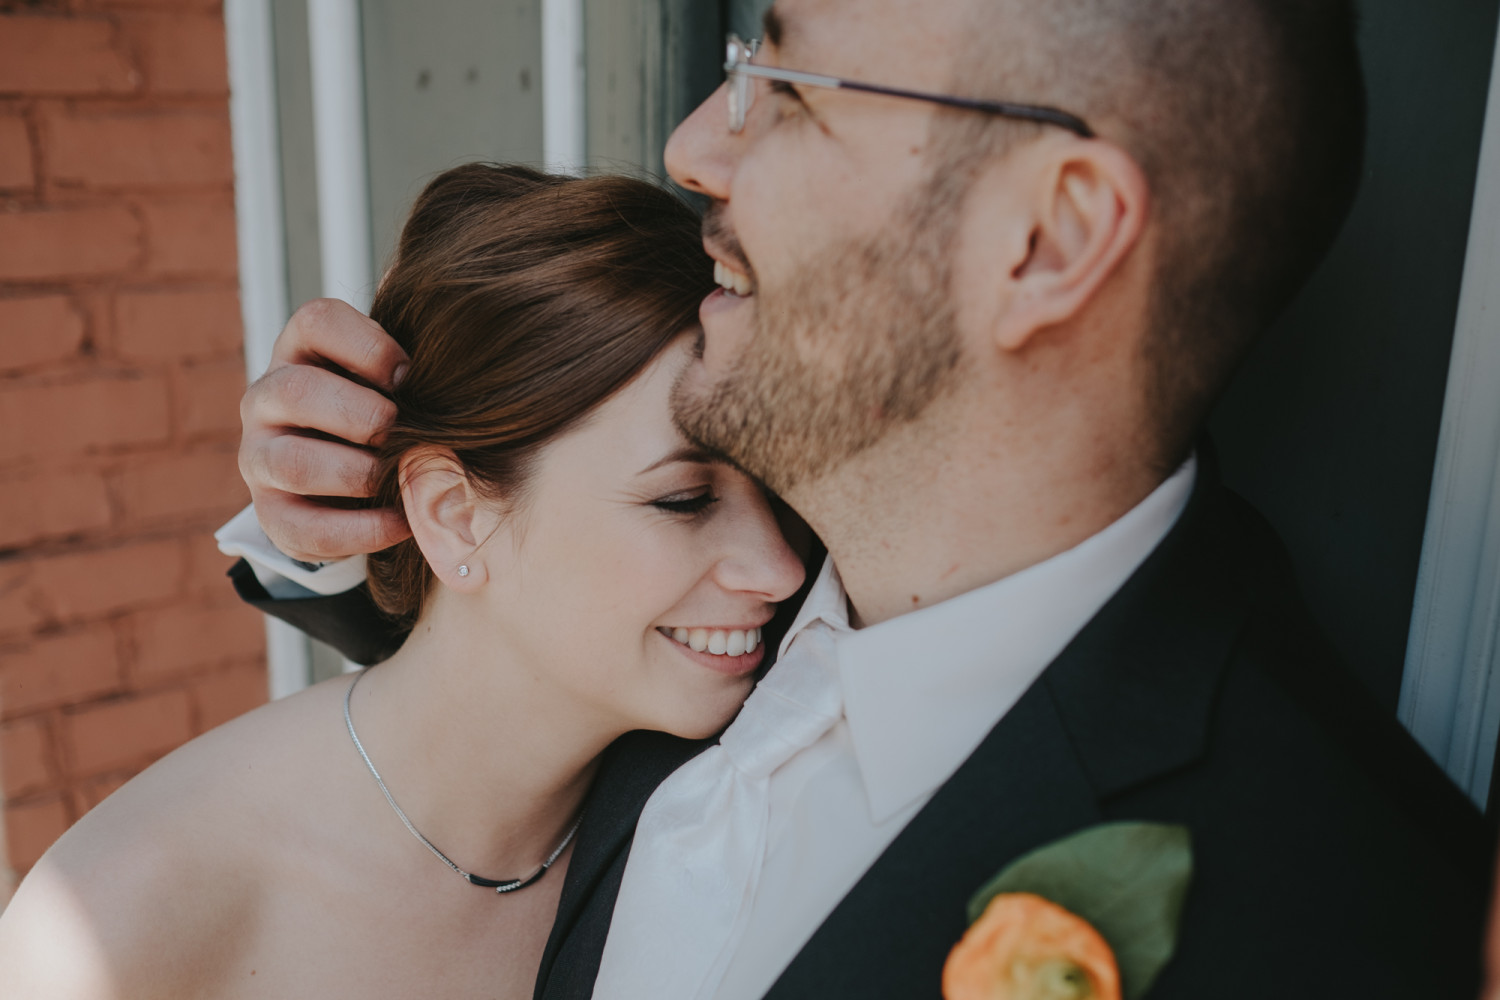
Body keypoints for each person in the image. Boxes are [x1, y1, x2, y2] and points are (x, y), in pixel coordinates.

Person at [224, 0, 1492, 997]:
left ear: (1047, 241)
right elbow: (510, 662)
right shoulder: (708, 611)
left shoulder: (1339, 921)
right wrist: (352, 514)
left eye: (785, 89)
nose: (694, 149)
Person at [0, 165, 806, 999]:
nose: (779, 569)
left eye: (780, 486)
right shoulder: (109, 930)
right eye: (684, 499)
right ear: (454, 514)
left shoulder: (733, 791)